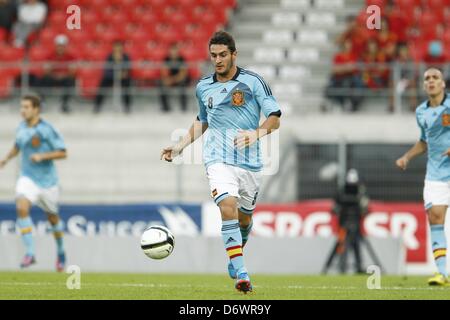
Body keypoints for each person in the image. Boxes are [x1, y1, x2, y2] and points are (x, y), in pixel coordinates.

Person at [160, 31, 281, 293]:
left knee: (245, 220)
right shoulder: (203, 86)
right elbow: (202, 120)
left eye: (223, 54)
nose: (217, 60)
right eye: (213, 55)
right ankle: (242, 273)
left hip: (250, 164)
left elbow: (275, 118)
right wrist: (180, 146)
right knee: (227, 206)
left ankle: (235, 255)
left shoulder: (253, 82)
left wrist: (256, 133)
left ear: (234, 54)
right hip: (218, 160)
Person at [0, 94, 68, 271]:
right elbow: (17, 146)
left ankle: (61, 251)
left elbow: (63, 152)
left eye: (26, 107)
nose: (22, 110)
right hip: (27, 177)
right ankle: (30, 253)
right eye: (21, 107)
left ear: (36, 109)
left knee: (53, 219)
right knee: (21, 206)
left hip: (48, 182)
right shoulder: (21, 127)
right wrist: (5, 159)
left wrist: (42, 156)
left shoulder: (47, 129)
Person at [396, 67, 450, 286]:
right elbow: (424, 141)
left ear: (443, 84)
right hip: (436, 173)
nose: (430, 81)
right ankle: (442, 273)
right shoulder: (421, 112)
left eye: (435, 77)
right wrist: (407, 157)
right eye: (427, 78)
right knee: (435, 219)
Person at [33, 34, 76, 113]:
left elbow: (72, 72)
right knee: (41, 80)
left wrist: (62, 75)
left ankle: (64, 103)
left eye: (62, 46)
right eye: (59, 46)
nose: (60, 48)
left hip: (64, 78)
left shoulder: (71, 57)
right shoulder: (50, 56)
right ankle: (42, 102)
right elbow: (46, 71)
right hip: (52, 77)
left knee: (71, 81)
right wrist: (56, 75)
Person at [323, 39, 364, 112]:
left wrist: (342, 68)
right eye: (346, 45)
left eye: (349, 45)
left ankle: (352, 103)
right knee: (330, 86)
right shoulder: (338, 56)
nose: (348, 47)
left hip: (350, 78)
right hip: (339, 78)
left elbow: (354, 68)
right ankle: (330, 103)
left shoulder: (353, 56)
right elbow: (335, 69)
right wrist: (346, 68)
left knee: (356, 83)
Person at [94, 40, 132, 113]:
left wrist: (122, 74)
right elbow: (107, 70)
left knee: (127, 86)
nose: (117, 48)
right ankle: (97, 106)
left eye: (119, 46)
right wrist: (115, 75)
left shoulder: (126, 57)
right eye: (116, 47)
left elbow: (127, 70)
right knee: (102, 85)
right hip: (111, 77)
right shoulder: (109, 57)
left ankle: (127, 107)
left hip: (123, 78)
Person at [159, 43, 190, 112]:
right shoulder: (166, 59)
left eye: (175, 50)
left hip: (179, 80)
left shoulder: (182, 59)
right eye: (172, 50)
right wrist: (167, 80)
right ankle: (165, 108)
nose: (173, 52)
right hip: (170, 80)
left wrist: (172, 80)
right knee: (161, 84)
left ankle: (183, 107)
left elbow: (182, 74)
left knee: (183, 84)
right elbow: (163, 73)